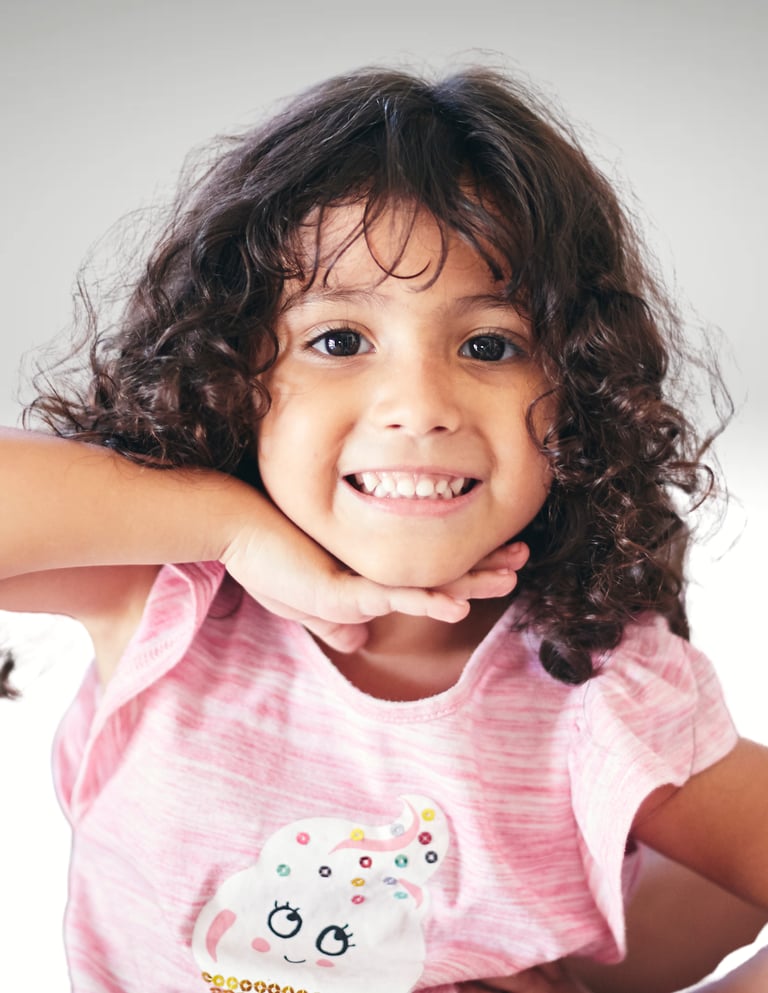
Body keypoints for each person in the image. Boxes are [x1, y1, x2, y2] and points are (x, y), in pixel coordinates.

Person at [1, 64, 766, 993]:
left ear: (579, 394)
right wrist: (233, 530)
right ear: (233, 371)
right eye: (339, 340)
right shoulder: (169, 596)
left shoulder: (599, 700)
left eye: (489, 344)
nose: (419, 404)